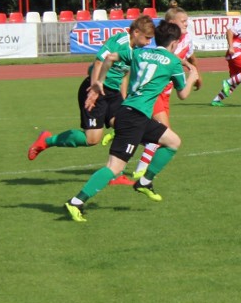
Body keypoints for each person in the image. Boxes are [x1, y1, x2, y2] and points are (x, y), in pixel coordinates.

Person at [63, 21, 199, 223]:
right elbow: (184, 94)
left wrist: (98, 82)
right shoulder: (172, 62)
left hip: (136, 114)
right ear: (175, 43)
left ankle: (144, 182)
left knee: (173, 141)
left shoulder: (139, 53)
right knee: (114, 168)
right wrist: (192, 76)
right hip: (134, 117)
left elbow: (109, 58)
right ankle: (76, 202)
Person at [28, 16, 156, 185]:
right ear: (136, 32)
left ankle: (116, 174)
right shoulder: (119, 41)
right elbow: (98, 63)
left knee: (124, 125)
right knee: (92, 139)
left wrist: (124, 100)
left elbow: (125, 74)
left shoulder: (136, 51)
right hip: (95, 89)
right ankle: (47, 140)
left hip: (113, 94)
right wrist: (95, 89)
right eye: (147, 38)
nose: (148, 43)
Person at [131, 7, 202, 179]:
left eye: (187, 20)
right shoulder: (168, 41)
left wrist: (195, 72)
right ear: (172, 24)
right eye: (182, 21)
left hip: (167, 93)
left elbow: (190, 56)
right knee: (164, 133)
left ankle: (129, 139)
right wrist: (186, 66)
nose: (186, 23)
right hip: (156, 92)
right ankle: (141, 171)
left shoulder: (187, 39)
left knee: (162, 134)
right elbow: (166, 57)